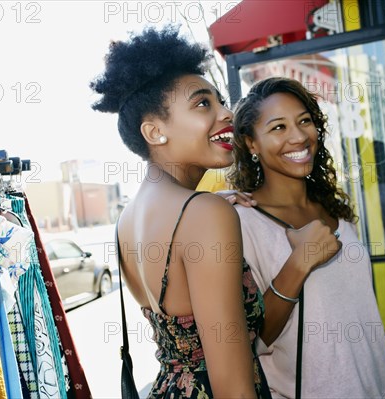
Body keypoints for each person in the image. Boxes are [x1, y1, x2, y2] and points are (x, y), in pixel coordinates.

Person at [90, 26, 270, 398]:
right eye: (203, 103)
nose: (226, 113)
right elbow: (234, 388)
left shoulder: (129, 217)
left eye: (221, 101)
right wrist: (211, 215)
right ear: (155, 132)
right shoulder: (203, 215)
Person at [229, 77, 385, 398]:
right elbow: (253, 339)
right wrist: (300, 262)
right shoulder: (242, 223)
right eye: (278, 127)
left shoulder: (333, 207)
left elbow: (362, 314)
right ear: (251, 143)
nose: (298, 136)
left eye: (304, 121)